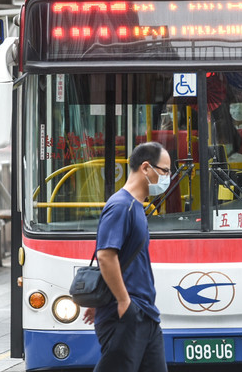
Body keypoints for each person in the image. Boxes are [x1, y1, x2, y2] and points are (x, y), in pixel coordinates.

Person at [83, 142, 169, 372]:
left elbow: (123, 257)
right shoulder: (121, 206)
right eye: (165, 171)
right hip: (126, 314)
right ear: (146, 168)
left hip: (145, 313)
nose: (167, 178)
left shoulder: (137, 206)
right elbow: (105, 255)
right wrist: (122, 301)